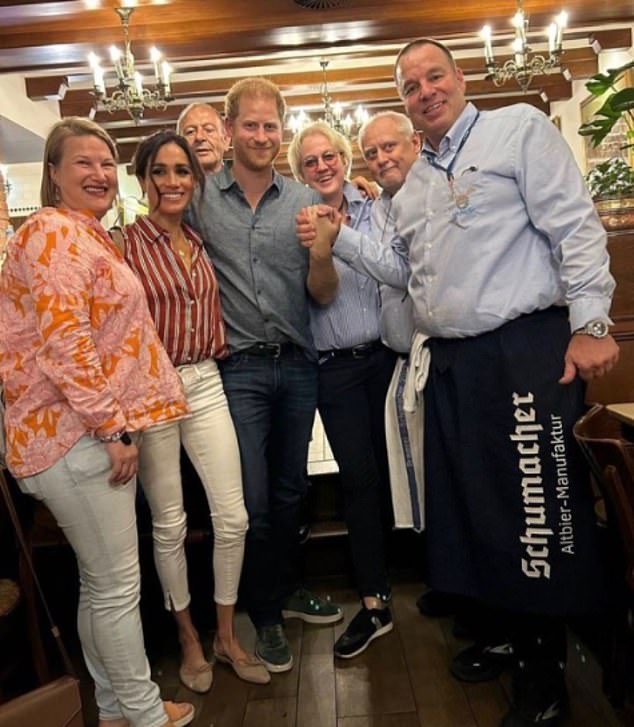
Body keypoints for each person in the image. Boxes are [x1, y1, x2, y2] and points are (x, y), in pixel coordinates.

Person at [391, 38, 619, 727]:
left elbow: (575, 226)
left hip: (523, 352)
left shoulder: (517, 128)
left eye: (435, 76)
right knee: (477, 511)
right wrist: (333, 237)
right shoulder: (419, 182)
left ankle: (545, 672)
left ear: (461, 78)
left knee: (536, 513)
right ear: (402, 103)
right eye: (410, 85)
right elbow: (405, 270)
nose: (426, 90)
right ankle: (508, 634)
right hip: (456, 364)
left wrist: (592, 320)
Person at [0, 117, 194, 727]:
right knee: (116, 587)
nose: (99, 173)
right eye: (82, 162)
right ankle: (144, 714)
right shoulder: (52, 234)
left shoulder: (83, 234)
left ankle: (114, 708)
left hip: (72, 435)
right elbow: (67, 345)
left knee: (99, 582)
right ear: (52, 173)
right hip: (74, 438)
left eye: (106, 163)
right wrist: (112, 429)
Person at [185, 77, 342, 674]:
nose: (259, 135)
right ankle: (267, 614)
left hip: (298, 366)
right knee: (248, 500)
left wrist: (323, 250)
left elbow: (324, 295)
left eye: (269, 125)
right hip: (237, 372)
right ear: (229, 131)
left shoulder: (306, 200)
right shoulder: (198, 200)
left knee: (289, 491)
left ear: (282, 128)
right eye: (247, 125)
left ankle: (279, 597)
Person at [114, 130, 270, 688]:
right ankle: (187, 637)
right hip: (152, 389)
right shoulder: (123, 244)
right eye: (161, 171)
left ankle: (226, 636)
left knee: (234, 516)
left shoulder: (200, 242)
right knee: (170, 523)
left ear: (195, 181)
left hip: (206, 380)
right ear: (143, 178)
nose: (173, 182)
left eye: (183, 171)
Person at [287, 121, 397, 658]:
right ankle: (374, 599)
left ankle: (437, 577)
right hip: (335, 369)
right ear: (298, 170)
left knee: (405, 469)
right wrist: (322, 245)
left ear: (345, 157)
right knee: (359, 478)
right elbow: (320, 298)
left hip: (391, 359)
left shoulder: (378, 204)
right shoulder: (296, 222)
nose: (323, 166)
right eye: (310, 161)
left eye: (330, 155)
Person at [177, 103, 227, 175]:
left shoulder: (244, 183)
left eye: (208, 130)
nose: (199, 137)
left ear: (225, 139)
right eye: (190, 132)